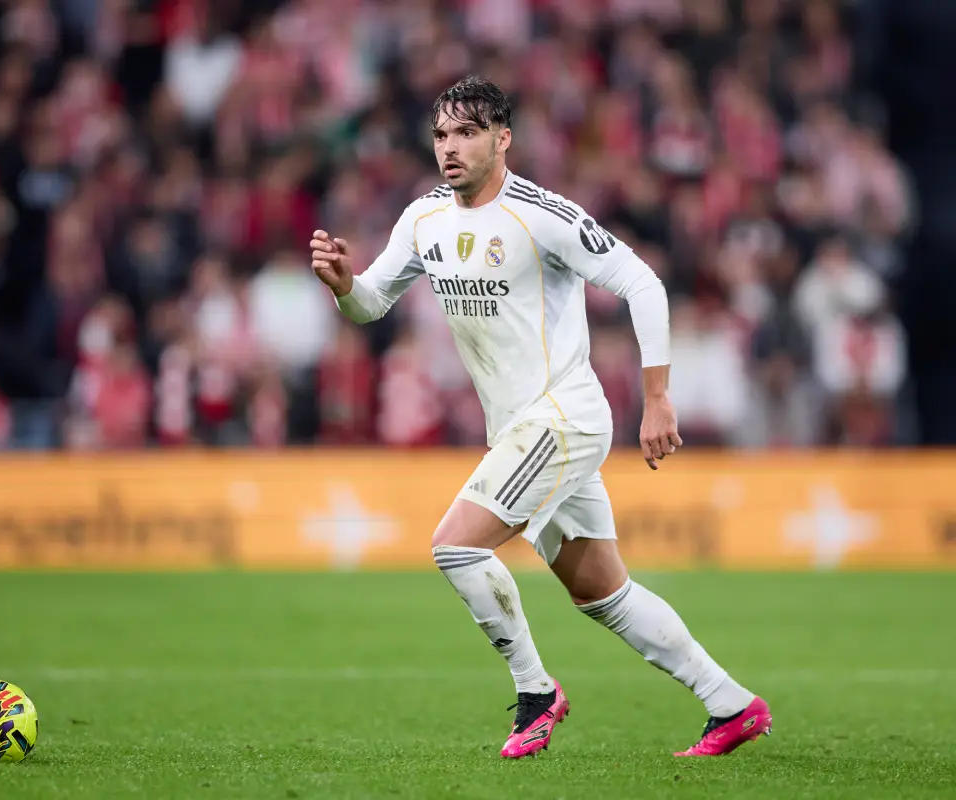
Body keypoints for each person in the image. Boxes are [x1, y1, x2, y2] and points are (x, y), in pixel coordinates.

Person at [308, 76, 771, 759]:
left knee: (455, 544)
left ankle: (536, 693)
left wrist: (659, 396)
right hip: (522, 429)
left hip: (564, 418)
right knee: (602, 594)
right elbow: (373, 302)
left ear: (503, 140)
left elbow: (643, 281)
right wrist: (346, 286)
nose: (450, 148)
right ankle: (731, 704)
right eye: (440, 134)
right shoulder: (423, 219)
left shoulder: (542, 214)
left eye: (466, 133)